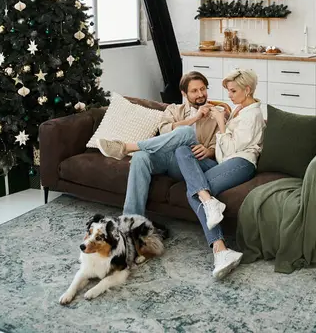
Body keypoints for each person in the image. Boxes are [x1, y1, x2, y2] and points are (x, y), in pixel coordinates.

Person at [174, 68, 265, 280]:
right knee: (182, 150)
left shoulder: (253, 114)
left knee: (194, 192)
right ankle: (209, 204)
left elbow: (232, 150)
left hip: (242, 163)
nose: (229, 96)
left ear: (247, 89)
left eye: (233, 91)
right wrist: (224, 113)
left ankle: (220, 249)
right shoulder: (240, 108)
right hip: (227, 161)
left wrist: (221, 122)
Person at [97, 71, 224, 216]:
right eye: (194, 91)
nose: (200, 94)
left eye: (203, 89)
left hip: (196, 161)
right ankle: (131, 220)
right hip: (170, 160)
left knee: (186, 133)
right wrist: (195, 118)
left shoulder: (218, 113)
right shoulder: (173, 109)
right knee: (140, 157)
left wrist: (209, 151)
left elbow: (222, 142)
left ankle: (126, 147)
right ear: (184, 93)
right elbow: (164, 131)